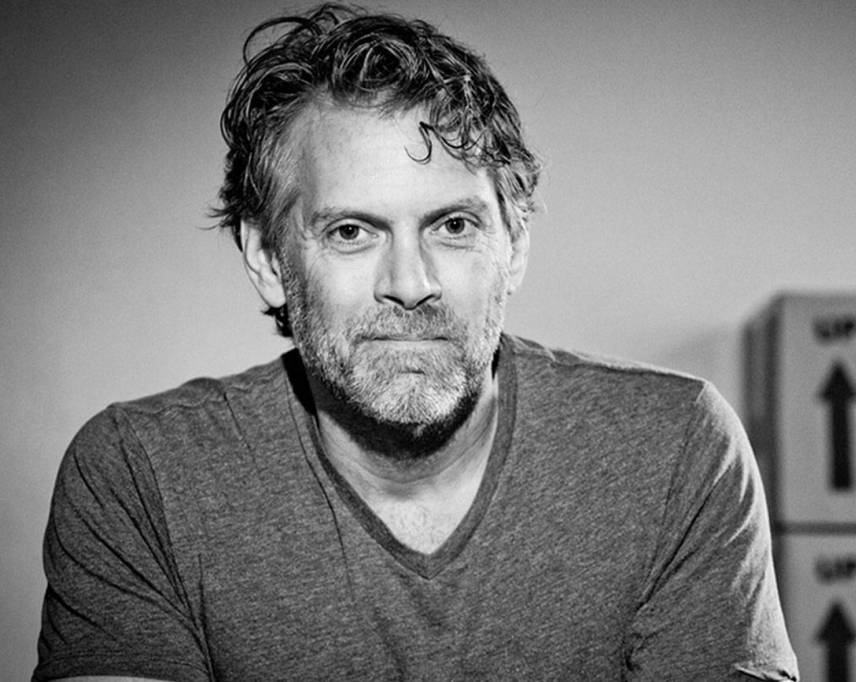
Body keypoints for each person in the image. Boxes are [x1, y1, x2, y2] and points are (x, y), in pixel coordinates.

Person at [34, 4, 798, 680]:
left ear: (515, 244)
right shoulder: (144, 476)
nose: (410, 283)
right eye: (351, 231)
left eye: (453, 225)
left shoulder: (671, 451)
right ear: (267, 260)